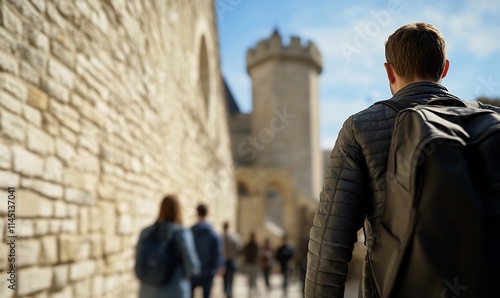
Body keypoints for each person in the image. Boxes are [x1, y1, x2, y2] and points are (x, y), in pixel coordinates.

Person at [305, 22, 500, 298]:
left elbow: (330, 243)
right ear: (444, 68)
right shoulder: (492, 121)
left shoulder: (360, 128)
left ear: (389, 71)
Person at [138, 195, 200, 298]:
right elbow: (192, 268)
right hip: (174, 291)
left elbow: (139, 262)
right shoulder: (181, 233)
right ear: (178, 210)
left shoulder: (146, 232)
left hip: (147, 292)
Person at [191, 204, 224, 298]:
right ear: (207, 214)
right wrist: (219, 266)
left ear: (196, 213)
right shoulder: (214, 235)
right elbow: (217, 253)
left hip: (193, 272)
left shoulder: (190, 232)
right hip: (208, 272)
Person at [222, 221, 241, 298]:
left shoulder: (221, 237)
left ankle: (227, 292)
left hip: (225, 260)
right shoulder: (234, 237)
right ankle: (229, 293)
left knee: (225, 279)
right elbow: (239, 248)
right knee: (230, 278)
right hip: (231, 260)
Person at [242, 231, 260, 297]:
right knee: (250, 279)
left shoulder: (256, 245)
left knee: (254, 279)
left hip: (254, 264)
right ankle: (251, 293)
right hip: (250, 263)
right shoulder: (249, 245)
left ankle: (253, 292)